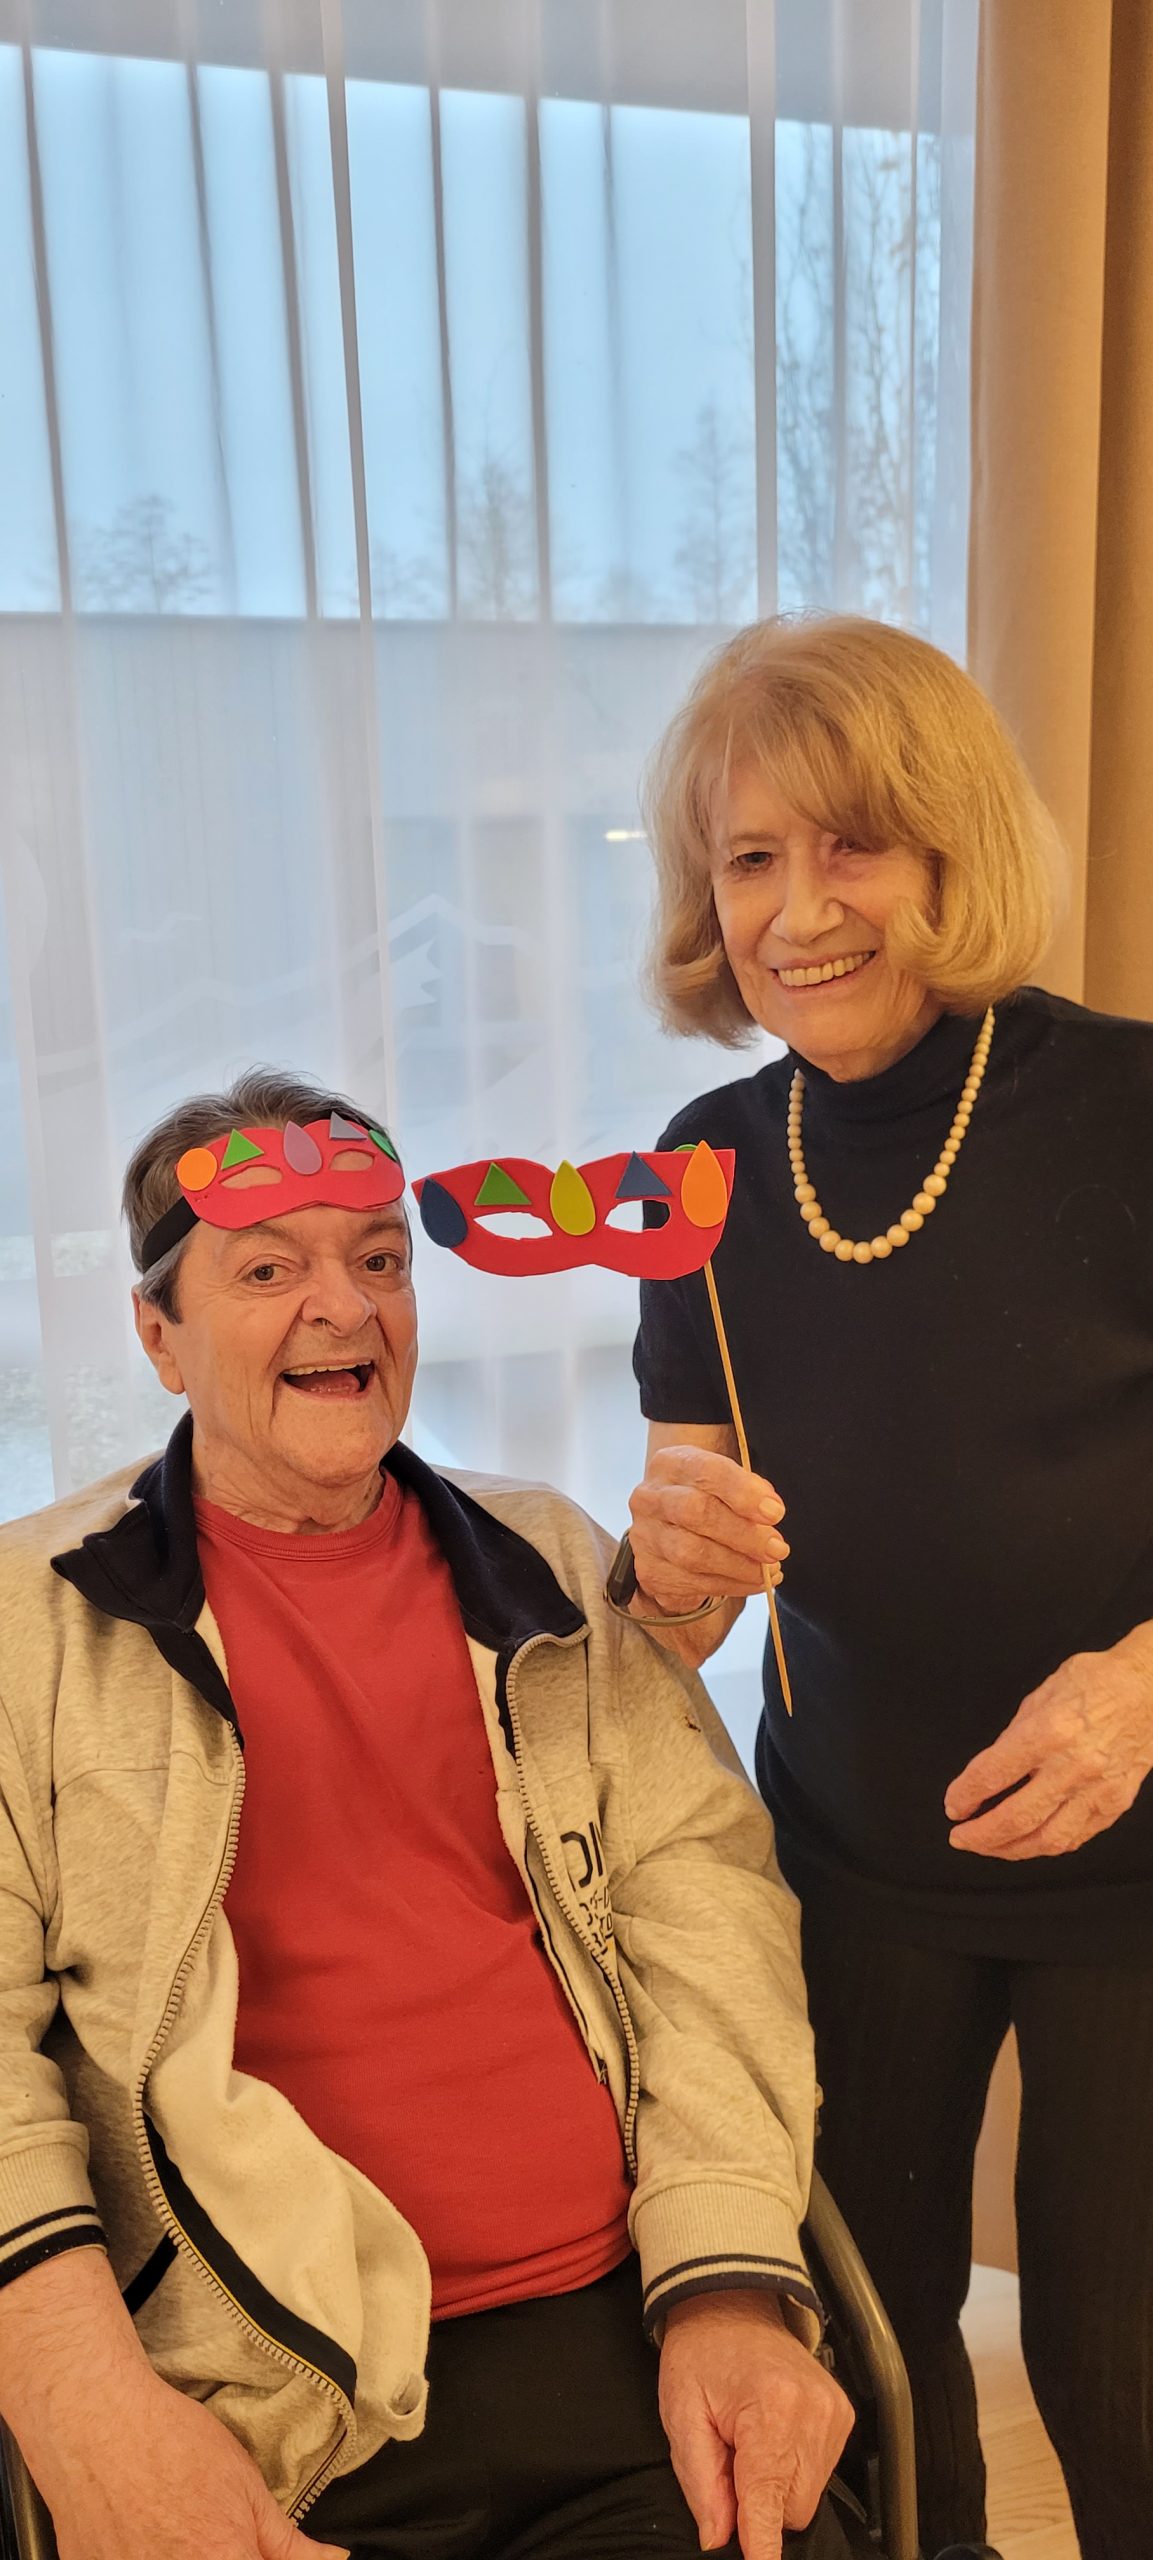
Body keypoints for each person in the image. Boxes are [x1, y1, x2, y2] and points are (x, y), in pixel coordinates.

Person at [0, 1071, 855, 2560]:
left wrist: (726, 2283)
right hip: (259, 2391)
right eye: (267, 1270)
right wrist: (85, 2402)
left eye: (380, 1259)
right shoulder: (31, 1624)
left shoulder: (549, 1561)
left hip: (617, 2332)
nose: (344, 1307)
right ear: (157, 1336)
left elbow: (704, 1910)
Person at [627, 614, 1153, 2560]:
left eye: (849, 844)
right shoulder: (699, 1169)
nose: (797, 909)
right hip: (848, 1858)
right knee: (877, 2353)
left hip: (1137, 1865)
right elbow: (683, 1581)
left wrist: (1142, 1682)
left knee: (1116, 2363)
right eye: (748, 858)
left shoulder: (1128, 1106)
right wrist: (661, 1572)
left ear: (949, 851)